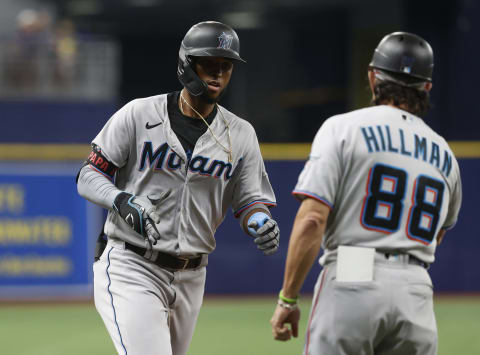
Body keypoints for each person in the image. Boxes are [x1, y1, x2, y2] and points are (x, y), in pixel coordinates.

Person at [77, 21, 279, 355]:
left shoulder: (240, 134)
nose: (217, 74)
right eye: (208, 64)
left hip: (192, 275)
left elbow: (249, 201)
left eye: (225, 66)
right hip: (133, 264)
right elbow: (88, 175)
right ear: (187, 63)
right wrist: (120, 199)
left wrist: (259, 221)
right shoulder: (139, 114)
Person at [270, 32, 462, 355]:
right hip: (415, 284)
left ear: (373, 77)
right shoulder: (445, 154)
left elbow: (313, 219)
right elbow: (438, 233)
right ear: (427, 87)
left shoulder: (343, 128)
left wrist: (288, 297)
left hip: (352, 268)